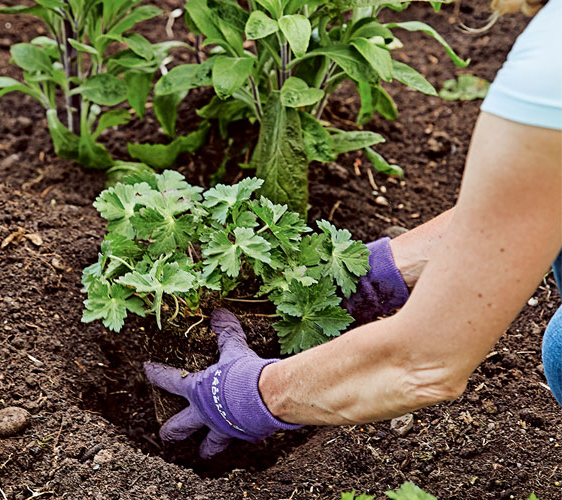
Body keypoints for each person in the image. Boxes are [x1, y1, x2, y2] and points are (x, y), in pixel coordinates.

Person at [144, 0, 562, 459]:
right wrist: (368, 276)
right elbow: (524, 209)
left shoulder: (550, 65)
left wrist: (248, 396)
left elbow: (424, 363)